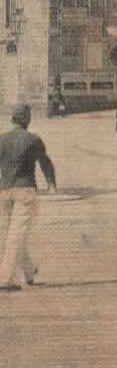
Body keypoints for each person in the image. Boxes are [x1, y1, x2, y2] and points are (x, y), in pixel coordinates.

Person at [0, 104, 57, 291]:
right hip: (25, 191)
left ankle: (28, 271)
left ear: (12, 119)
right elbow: (45, 163)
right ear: (26, 119)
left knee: (12, 234)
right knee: (17, 234)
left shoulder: (2, 140)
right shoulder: (33, 140)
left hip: (5, 191)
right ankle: (5, 278)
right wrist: (51, 184)